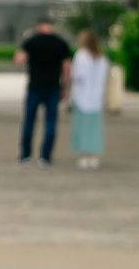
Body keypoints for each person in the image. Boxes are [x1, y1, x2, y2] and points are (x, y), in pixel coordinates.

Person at [16, 17, 72, 164]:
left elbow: (19, 60)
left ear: (38, 26)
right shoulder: (61, 43)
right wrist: (65, 87)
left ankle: (26, 155)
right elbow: (67, 68)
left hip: (35, 86)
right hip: (53, 86)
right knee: (51, 122)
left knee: (29, 121)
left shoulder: (32, 41)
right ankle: (45, 156)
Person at [69, 28, 112, 170]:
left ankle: (84, 155)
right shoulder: (102, 58)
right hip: (96, 98)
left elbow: (77, 76)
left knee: (82, 127)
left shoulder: (81, 56)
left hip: (82, 96)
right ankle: (93, 156)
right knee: (94, 128)